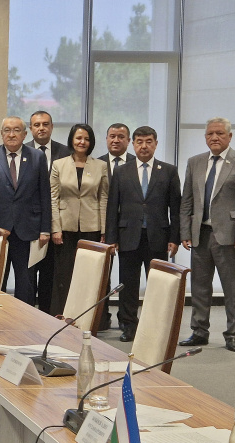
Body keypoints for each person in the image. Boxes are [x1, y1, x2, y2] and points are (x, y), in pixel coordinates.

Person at [179, 117, 235, 352]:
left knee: (232, 288)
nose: (214, 137)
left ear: (229, 136)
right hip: (200, 235)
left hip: (230, 237)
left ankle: (233, 334)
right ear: (205, 137)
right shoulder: (195, 162)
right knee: (200, 287)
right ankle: (199, 332)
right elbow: (187, 202)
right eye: (210, 134)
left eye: (220, 134)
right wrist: (185, 230)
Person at [105, 126, 181, 342]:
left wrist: (174, 238)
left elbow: (175, 209)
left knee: (158, 286)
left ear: (156, 144)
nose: (144, 146)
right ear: (132, 144)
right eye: (139, 141)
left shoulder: (168, 171)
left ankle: (156, 327)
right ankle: (128, 325)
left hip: (158, 237)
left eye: (148, 141)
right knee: (128, 284)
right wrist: (111, 239)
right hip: (128, 235)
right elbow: (113, 207)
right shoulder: (121, 171)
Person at [0, 116, 50, 305]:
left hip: (27, 228)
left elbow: (44, 194)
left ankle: (24, 320)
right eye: (7, 130)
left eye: (17, 130)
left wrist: (45, 228)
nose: (11, 134)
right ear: (1, 134)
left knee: (25, 281)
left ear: (25, 134)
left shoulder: (37, 156)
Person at [49, 124, 108, 314]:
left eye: (86, 139)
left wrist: (104, 230)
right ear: (71, 140)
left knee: (89, 276)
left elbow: (103, 198)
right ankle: (62, 314)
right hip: (65, 228)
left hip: (92, 227)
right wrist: (55, 228)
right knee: (64, 275)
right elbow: (53, 198)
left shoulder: (101, 166)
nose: (82, 142)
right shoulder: (59, 164)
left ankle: (88, 317)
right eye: (78, 138)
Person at [24, 110, 73, 313]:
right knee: (27, 276)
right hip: (27, 223)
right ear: (30, 129)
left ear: (52, 127)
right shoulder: (22, 151)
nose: (41, 128)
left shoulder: (66, 152)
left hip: (56, 223)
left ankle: (47, 314)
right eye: (37, 125)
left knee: (50, 276)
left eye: (45, 124)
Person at [96, 123, 136, 330]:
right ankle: (101, 318)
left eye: (121, 137)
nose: (116, 140)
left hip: (131, 229)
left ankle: (126, 319)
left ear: (128, 141)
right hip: (104, 229)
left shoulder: (137, 163)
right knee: (102, 276)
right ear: (106, 138)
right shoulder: (97, 163)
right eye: (112, 136)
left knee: (128, 277)